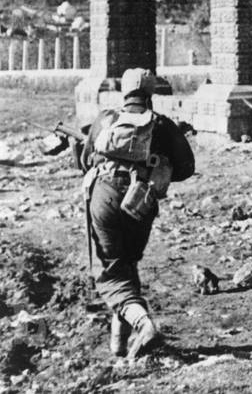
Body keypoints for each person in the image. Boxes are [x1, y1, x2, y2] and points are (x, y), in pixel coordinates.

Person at [77, 68, 195, 358]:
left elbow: (84, 161)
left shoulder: (106, 118)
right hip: (141, 199)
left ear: (124, 92)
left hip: (104, 195)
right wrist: (156, 167)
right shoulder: (163, 125)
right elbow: (186, 167)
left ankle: (143, 326)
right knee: (127, 264)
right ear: (150, 93)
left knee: (111, 271)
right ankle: (120, 343)